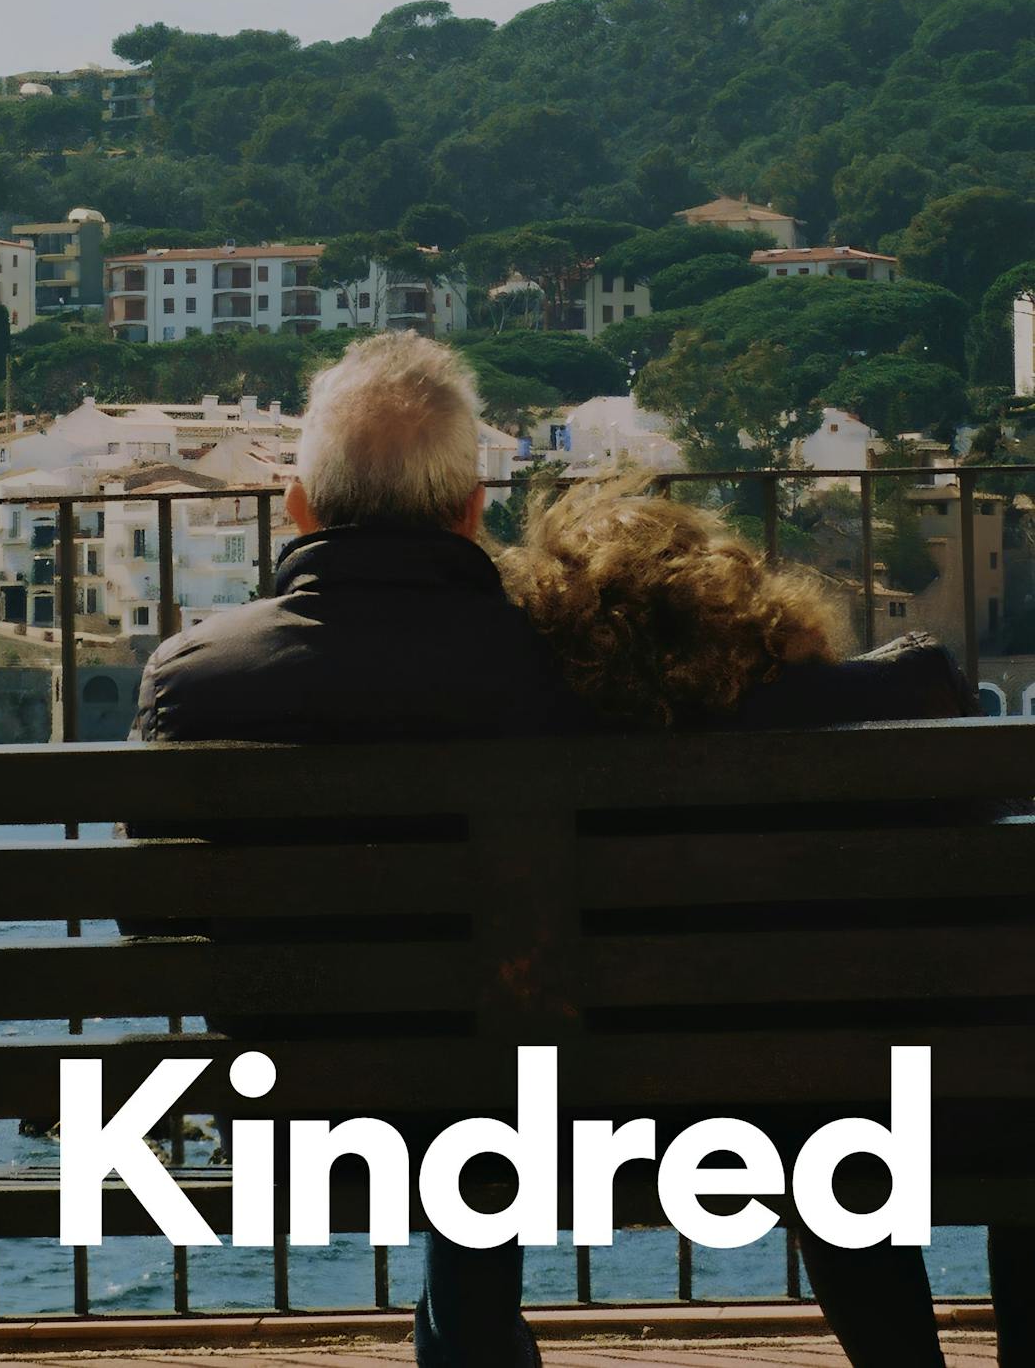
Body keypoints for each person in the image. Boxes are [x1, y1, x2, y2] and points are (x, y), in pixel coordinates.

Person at [498, 470, 1028, 1368]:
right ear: (735, 589)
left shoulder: (555, 766)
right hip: (923, 1099)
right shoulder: (890, 699)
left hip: (677, 1127)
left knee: (824, 1109)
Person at [138, 331, 565, 1368]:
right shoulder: (556, 668)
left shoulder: (193, 678)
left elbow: (150, 915)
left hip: (285, 1110)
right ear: (473, 510)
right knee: (484, 1077)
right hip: (515, 1109)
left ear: (297, 505)